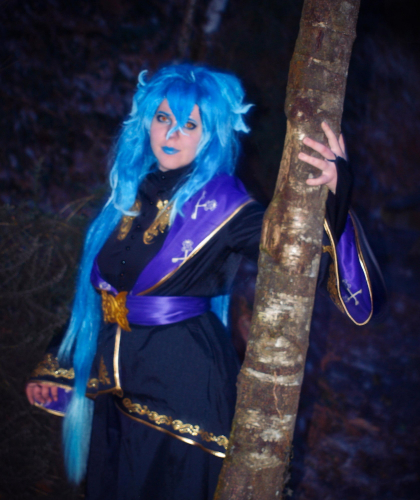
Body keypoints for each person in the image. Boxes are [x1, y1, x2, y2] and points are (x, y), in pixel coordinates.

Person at [26, 64, 383, 500]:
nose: (171, 133)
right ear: (146, 122)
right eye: (163, 118)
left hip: (185, 392)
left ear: (211, 134)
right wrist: (61, 364)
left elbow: (299, 252)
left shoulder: (225, 205)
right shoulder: (129, 193)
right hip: (116, 386)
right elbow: (103, 293)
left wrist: (335, 193)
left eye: (190, 124)